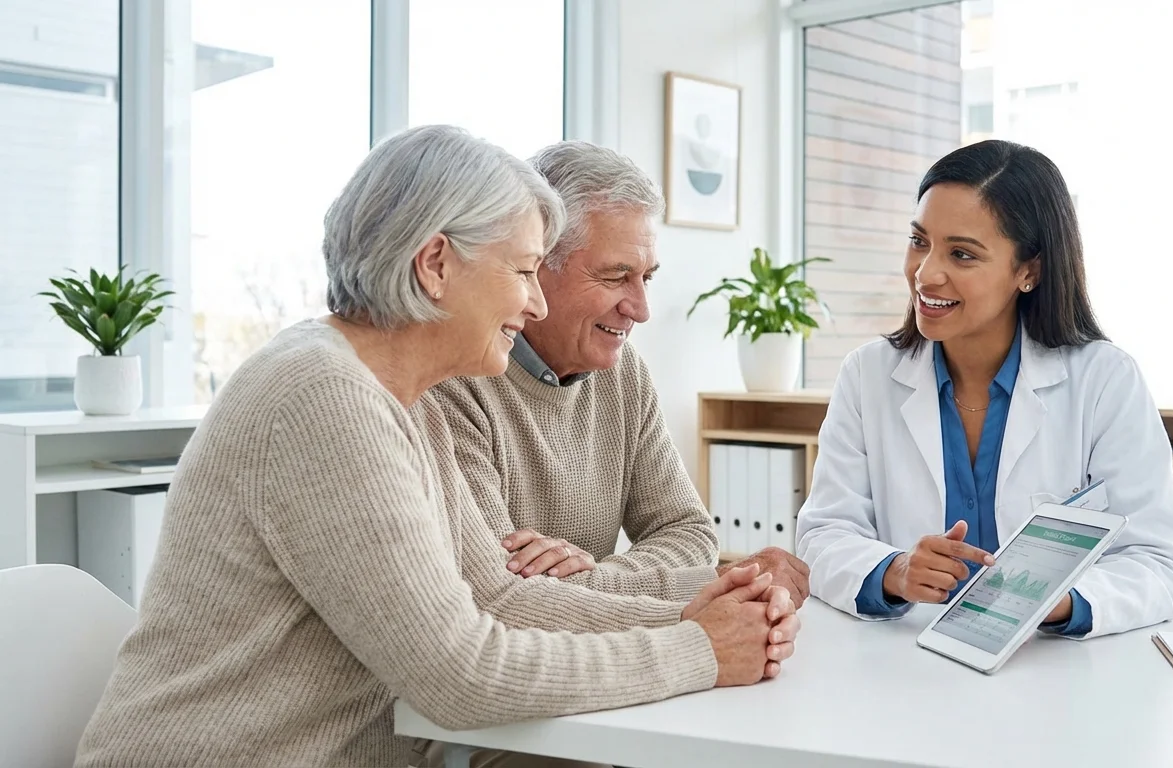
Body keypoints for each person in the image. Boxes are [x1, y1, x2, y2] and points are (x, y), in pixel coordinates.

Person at [74, 125, 799, 768]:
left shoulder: (401, 397)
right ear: (435, 265)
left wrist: (708, 613)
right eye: (521, 271)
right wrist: (699, 649)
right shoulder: (320, 397)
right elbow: (463, 674)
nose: (535, 302)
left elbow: (499, 598)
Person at [795, 139, 1173, 638]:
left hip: (1054, 672)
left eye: (961, 254)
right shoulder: (867, 375)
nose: (925, 273)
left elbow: (1158, 563)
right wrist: (896, 571)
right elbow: (823, 534)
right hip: (906, 666)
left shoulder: (1104, 381)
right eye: (919, 241)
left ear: (1028, 271)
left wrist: (1056, 601)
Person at [428, 140, 810, 606]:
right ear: (536, 264)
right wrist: (706, 585)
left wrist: (599, 574)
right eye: (614, 276)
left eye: (645, 277)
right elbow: (502, 594)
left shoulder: (621, 370)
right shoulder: (455, 378)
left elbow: (687, 532)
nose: (641, 309)